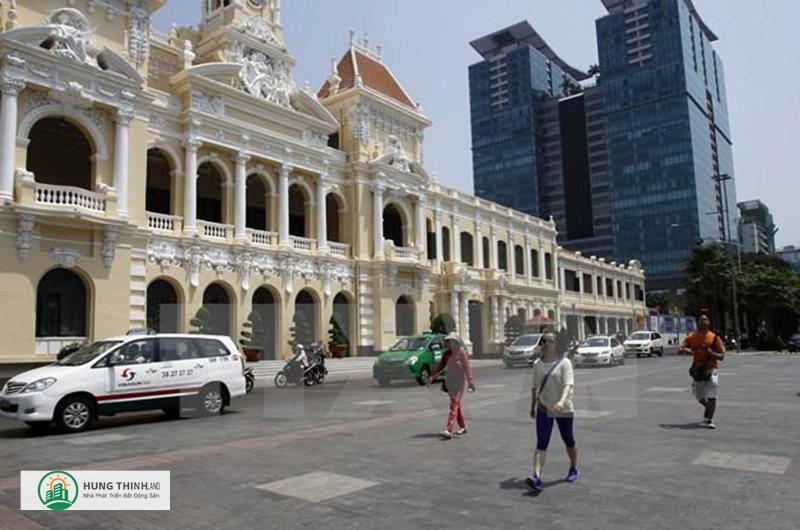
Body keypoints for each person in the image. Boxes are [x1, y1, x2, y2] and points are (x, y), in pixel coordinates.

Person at [526, 332, 579, 491]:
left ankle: (573, 467)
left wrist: (562, 402)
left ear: (557, 344)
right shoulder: (538, 364)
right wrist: (532, 406)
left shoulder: (565, 363)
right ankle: (536, 477)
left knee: (568, 440)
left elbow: (568, 385)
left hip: (562, 408)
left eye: (550, 341)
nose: (546, 344)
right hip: (544, 408)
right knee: (541, 443)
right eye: (544, 341)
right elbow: (535, 387)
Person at [679, 314, 725, 429]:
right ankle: (709, 408)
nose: (704, 321)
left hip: (711, 368)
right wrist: (684, 350)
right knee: (698, 395)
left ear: (709, 323)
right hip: (698, 369)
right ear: (697, 323)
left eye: (706, 319)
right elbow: (682, 348)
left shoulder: (714, 338)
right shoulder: (691, 337)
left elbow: (722, 356)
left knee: (712, 390)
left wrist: (712, 353)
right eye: (701, 319)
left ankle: (709, 419)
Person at [427, 331, 475, 439]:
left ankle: (449, 430)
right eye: (450, 342)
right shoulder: (447, 354)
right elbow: (440, 367)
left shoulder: (461, 353)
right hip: (449, 381)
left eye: (454, 342)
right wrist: (432, 377)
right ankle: (463, 426)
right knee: (456, 405)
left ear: (457, 343)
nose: (451, 344)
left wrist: (470, 382)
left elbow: (467, 368)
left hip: (459, 382)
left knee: (454, 404)